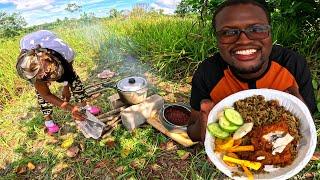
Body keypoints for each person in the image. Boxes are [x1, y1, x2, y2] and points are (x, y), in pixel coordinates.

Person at [187, 0, 316, 142]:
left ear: (270, 33)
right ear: (217, 39)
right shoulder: (208, 73)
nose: (243, 40)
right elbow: (192, 133)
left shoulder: (292, 64)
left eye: (257, 29)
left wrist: (298, 102)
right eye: (228, 32)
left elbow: (307, 125)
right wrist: (205, 116)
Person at [16, 30, 89, 134]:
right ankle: (48, 120)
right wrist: (71, 108)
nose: (41, 77)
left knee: (74, 80)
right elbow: (46, 94)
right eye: (38, 76)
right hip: (28, 43)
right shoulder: (28, 66)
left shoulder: (66, 53)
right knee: (40, 92)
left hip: (49, 41)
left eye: (43, 73)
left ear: (48, 60)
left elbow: (69, 74)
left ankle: (85, 106)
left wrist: (66, 87)